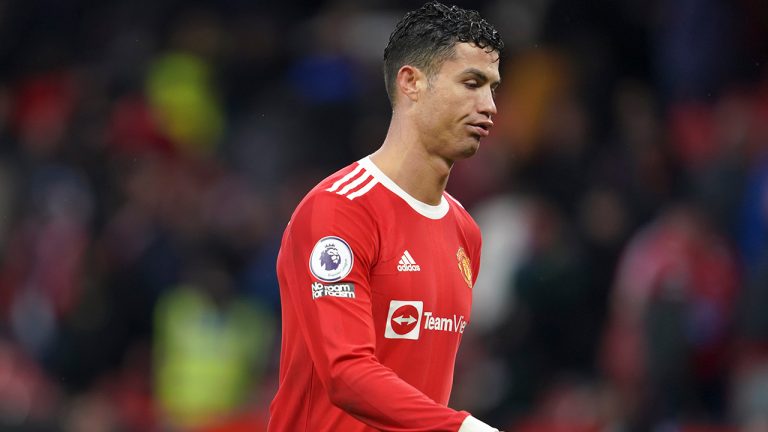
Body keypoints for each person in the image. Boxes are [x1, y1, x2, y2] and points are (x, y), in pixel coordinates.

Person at [268, 2, 504, 431]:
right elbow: (346, 374)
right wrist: (465, 428)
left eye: (492, 88)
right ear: (411, 82)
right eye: (471, 83)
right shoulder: (340, 210)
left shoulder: (465, 232)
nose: (488, 106)